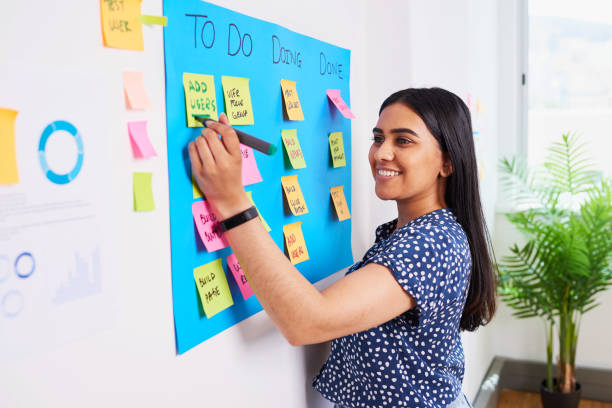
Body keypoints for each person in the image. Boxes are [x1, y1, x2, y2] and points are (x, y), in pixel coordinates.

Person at [188, 87, 497, 408]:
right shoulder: (407, 233)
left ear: (447, 163)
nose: (381, 153)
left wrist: (232, 201)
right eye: (378, 138)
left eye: (402, 141)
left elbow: (308, 322)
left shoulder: (430, 244)